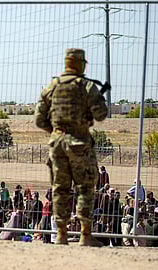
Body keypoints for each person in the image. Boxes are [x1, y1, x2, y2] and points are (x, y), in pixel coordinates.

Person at [34, 48, 107, 246]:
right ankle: (85, 234)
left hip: (57, 145)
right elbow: (101, 114)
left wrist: (56, 131)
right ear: (81, 64)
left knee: (60, 189)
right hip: (79, 143)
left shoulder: (52, 86)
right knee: (84, 188)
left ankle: (61, 234)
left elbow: (39, 119)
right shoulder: (86, 86)